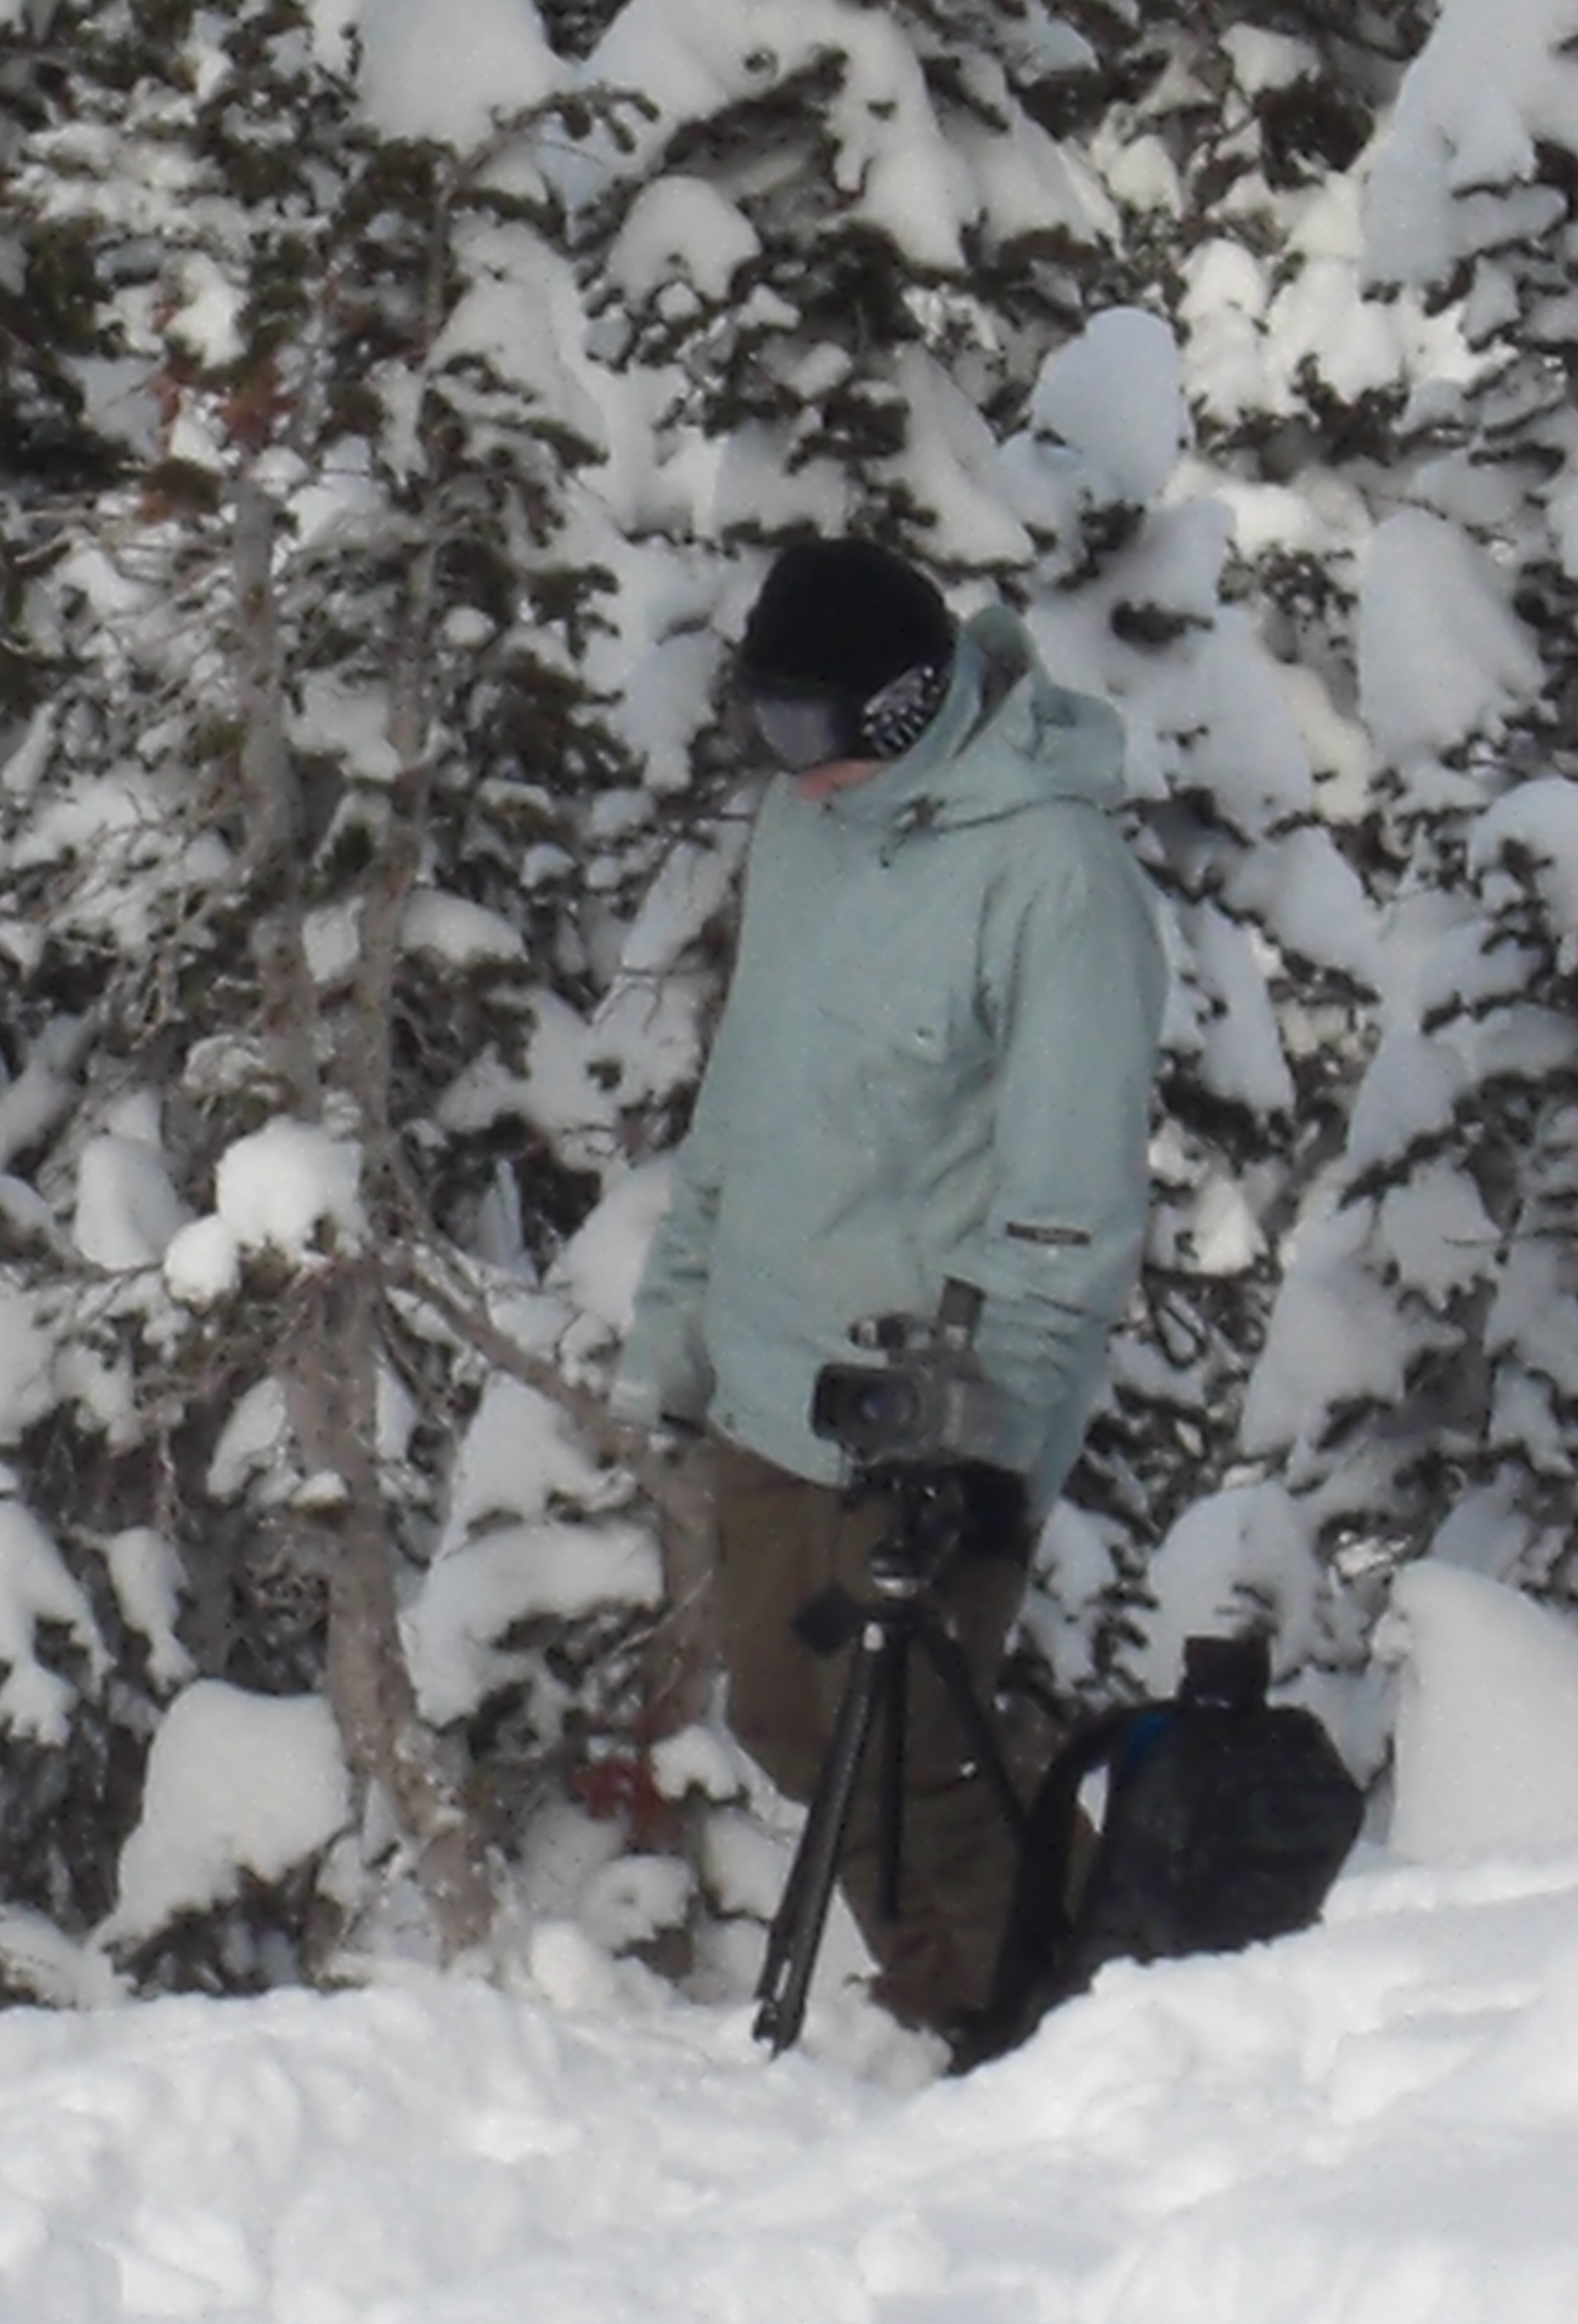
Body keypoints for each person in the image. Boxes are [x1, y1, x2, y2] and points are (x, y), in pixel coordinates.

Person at [614, 536, 1169, 2059]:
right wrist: (673, 1335)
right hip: (768, 1381)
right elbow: (745, 1103)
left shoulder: (1055, 879)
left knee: (913, 1755)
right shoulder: (811, 832)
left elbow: (1070, 1208)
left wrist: (986, 1448)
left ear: (908, 707)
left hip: (921, 1403)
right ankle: (1027, 1992)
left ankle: (1032, 2034)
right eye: (763, 729)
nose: (788, 772)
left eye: (813, 734)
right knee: (794, 1726)